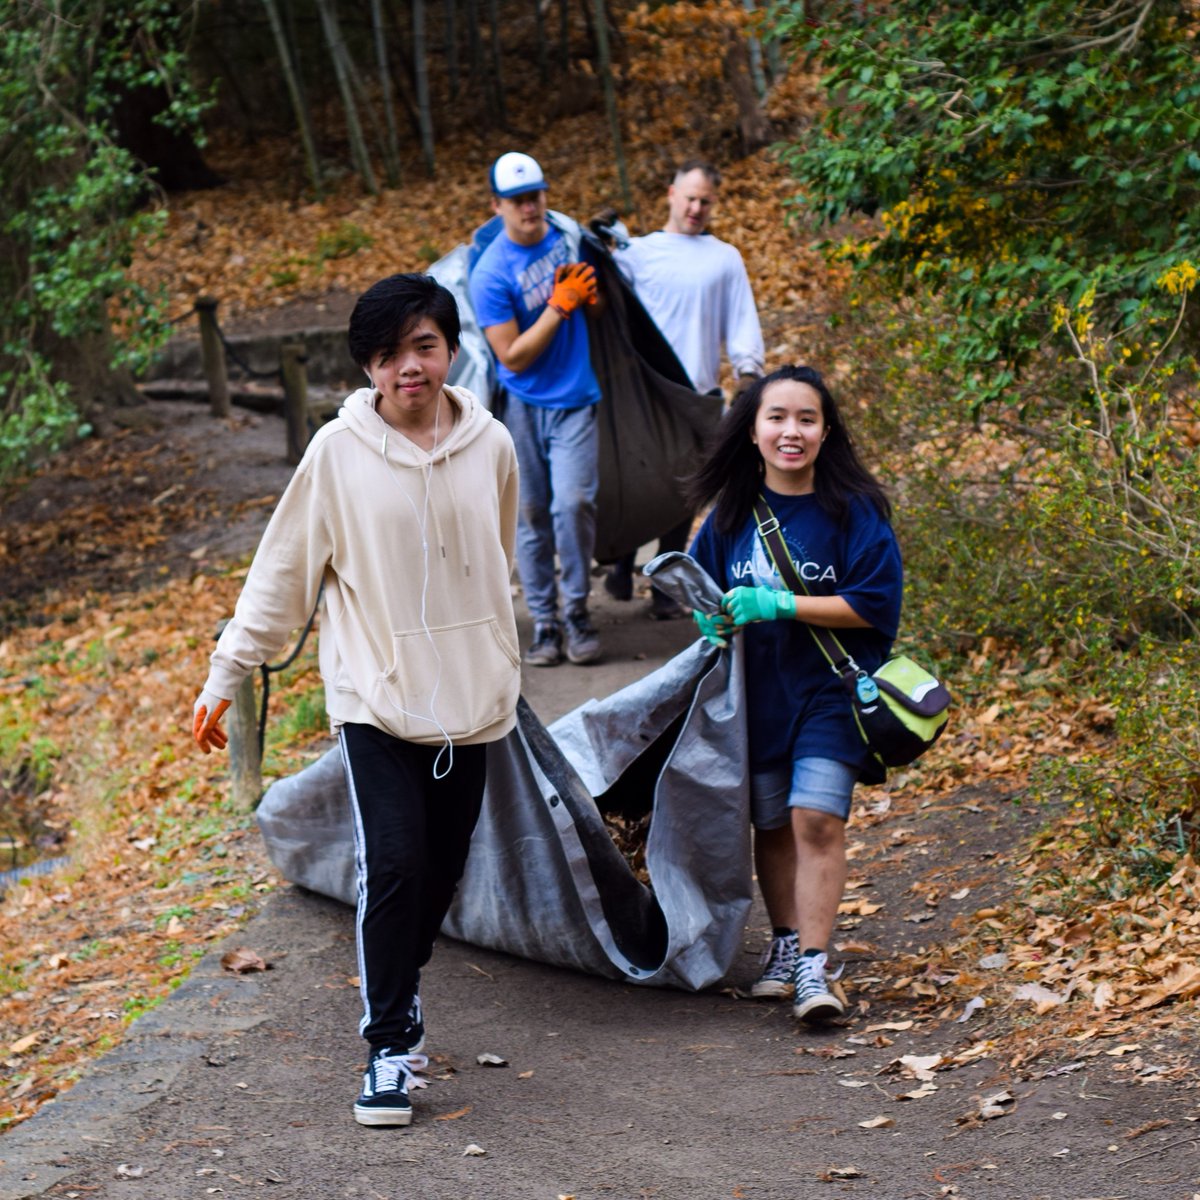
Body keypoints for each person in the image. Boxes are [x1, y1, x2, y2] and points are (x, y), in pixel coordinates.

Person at [190, 273, 521, 1126]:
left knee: (441, 874)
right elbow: (281, 577)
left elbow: (499, 560)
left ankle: (399, 988)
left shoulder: (492, 445)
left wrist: (496, 652)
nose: (409, 366)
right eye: (390, 352)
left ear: (450, 350)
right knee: (397, 862)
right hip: (375, 697)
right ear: (369, 365)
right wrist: (228, 672)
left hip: (472, 705)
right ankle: (388, 1045)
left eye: (425, 346)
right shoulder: (335, 455)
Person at [686, 364, 902, 1023]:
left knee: (816, 818)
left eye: (806, 419)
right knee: (772, 821)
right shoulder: (727, 518)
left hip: (830, 691)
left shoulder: (853, 511)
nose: (791, 431)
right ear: (752, 432)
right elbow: (693, 589)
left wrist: (780, 602)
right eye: (776, 417)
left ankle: (814, 964)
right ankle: (783, 946)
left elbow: (873, 604)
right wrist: (709, 616)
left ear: (825, 432)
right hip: (756, 698)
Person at [603, 159, 766, 619]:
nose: (696, 208)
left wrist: (747, 374)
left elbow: (740, 319)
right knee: (638, 481)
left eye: (705, 201)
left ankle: (662, 587)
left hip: (695, 393)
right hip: (642, 392)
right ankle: (620, 564)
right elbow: (610, 304)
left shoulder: (724, 258)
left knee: (684, 491)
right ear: (671, 194)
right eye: (689, 197)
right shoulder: (637, 253)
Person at [469, 150, 604, 667]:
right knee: (528, 516)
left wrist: (589, 297)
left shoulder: (566, 241)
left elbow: (599, 308)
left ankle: (577, 611)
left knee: (572, 505)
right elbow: (513, 356)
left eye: (537, 196)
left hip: (575, 398)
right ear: (497, 205)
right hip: (521, 405)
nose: (531, 208)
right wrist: (559, 305)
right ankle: (544, 622)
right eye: (519, 200)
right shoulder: (490, 274)